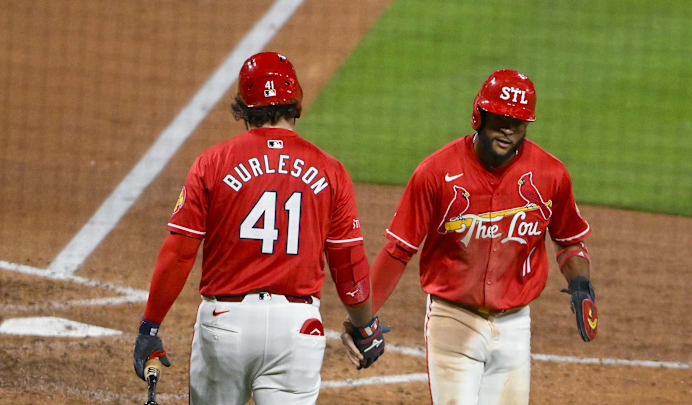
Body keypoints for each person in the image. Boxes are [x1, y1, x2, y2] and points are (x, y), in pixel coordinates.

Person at [132, 51, 387, 405]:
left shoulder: (212, 162)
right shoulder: (331, 171)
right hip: (297, 330)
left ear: (243, 106)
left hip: (225, 324)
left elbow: (179, 253)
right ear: (295, 101)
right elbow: (348, 264)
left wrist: (150, 327)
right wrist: (364, 326)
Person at [344, 69, 598, 404]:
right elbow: (397, 251)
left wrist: (581, 283)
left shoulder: (550, 174)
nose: (508, 129)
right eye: (501, 118)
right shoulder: (435, 173)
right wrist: (362, 318)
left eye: (518, 122)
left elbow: (569, 240)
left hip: (515, 327)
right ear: (479, 115)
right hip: (453, 321)